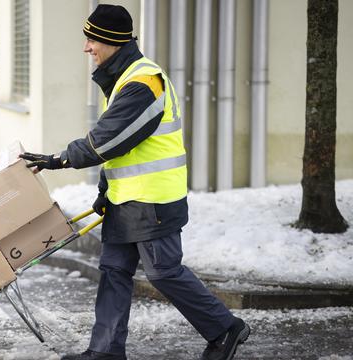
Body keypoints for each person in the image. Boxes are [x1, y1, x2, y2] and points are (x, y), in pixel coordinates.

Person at [19, 4, 250, 360]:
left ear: (111, 40)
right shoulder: (124, 78)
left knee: (163, 272)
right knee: (113, 271)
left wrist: (60, 158)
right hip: (127, 199)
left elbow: (110, 139)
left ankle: (225, 328)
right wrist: (105, 189)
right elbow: (123, 151)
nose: (86, 47)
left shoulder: (144, 82)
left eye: (91, 39)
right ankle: (106, 352)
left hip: (152, 201)